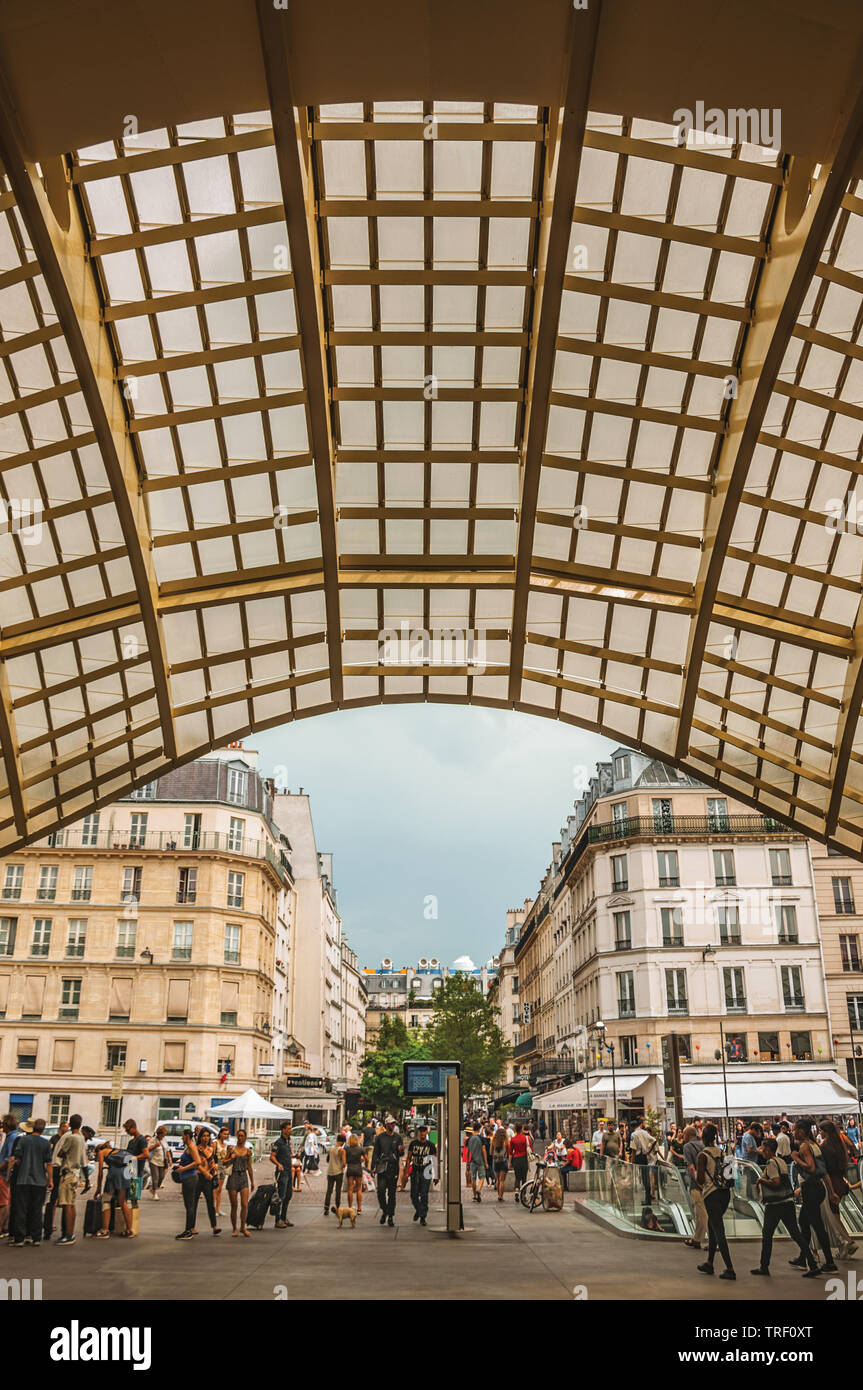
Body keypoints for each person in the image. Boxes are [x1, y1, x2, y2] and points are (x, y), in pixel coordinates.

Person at [751, 1136, 814, 1276]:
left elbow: (776, 1182)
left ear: (768, 1149)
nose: (761, 1150)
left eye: (763, 1147)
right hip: (787, 1202)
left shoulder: (771, 1163)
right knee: (796, 1234)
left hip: (775, 1204)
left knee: (767, 1235)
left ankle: (764, 1266)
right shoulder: (781, 1161)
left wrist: (761, 1180)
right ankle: (812, 1263)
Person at [789, 1118, 836, 1277]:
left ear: (801, 1131)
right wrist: (831, 1191)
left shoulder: (804, 1147)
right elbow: (823, 1171)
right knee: (804, 1221)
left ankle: (828, 1262)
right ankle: (803, 1257)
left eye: (795, 1129)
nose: (793, 1132)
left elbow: (811, 1167)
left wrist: (796, 1158)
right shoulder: (814, 1144)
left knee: (816, 1224)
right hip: (818, 1187)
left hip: (811, 1189)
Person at [694, 1123, 735, 1280]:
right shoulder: (723, 1152)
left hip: (712, 1195)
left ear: (703, 1138)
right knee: (712, 1226)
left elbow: (700, 1179)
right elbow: (731, 1176)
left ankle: (730, 1268)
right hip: (725, 1194)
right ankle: (709, 1263)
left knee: (718, 1231)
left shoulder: (702, 1155)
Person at [9, 1118, 52, 1247]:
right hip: (39, 1180)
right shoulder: (46, 1143)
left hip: (23, 1179)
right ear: (43, 1129)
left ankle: (20, 1238)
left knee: (21, 1208)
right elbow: (49, 1163)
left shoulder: (23, 1141)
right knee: (37, 1209)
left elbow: (17, 1159)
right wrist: (50, 1180)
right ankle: (36, 1237)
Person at [819, 1119, 858, 1260]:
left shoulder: (825, 1147)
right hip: (840, 1181)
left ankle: (848, 1241)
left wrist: (830, 1190)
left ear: (826, 1132)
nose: (820, 1133)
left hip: (832, 1183)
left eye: (821, 1130)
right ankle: (843, 1246)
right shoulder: (840, 1144)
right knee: (835, 1213)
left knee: (833, 1215)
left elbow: (824, 1169)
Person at [53, 1113, 87, 1245]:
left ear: (70, 1124)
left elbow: (61, 1153)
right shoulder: (81, 1138)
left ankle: (67, 1234)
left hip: (67, 1173)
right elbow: (83, 1160)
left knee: (66, 1204)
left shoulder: (71, 1138)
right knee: (71, 1204)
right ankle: (70, 1232)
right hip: (76, 1173)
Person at [95, 1140, 135, 1239]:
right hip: (126, 1174)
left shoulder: (101, 1152)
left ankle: (105, 1230)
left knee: (106, 1200)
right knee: (123, 1202)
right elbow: (132, 1163)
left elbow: (100, 1172)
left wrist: (98, 1188)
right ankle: (130, 1230)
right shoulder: (118, 1150)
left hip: (114, 1175)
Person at [371, 1116, 403, 1227]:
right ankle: (384, 1210)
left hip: (393, 1167)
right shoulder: (380, 1137)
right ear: (386, 1125)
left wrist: (401, 1151)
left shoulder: (398, 1137)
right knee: (380, 1191)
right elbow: (375, 1152)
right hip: (382, 1167)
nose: (393, 1125)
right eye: (390, 1124)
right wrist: (373, 1167)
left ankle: (390, 1216)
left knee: (392, 1193)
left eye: (394, 1124)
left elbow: (400, 1154)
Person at [682, 1123, 708, 1251]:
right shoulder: (703, 1144)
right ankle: (697, 1239)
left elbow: (691, 1167)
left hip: (697, 1184)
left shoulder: (687, 1147)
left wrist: (698, 1182)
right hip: (708, 1183)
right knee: (698, 1212)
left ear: (687, 1135)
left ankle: (715, 1240)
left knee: (702, 1212)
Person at [191, 1126, 221, 1236]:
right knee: (194, 1203)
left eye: (208, 1136)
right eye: (204, 1136)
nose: (206, 1138)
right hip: (198, 1177)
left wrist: (215, 1171)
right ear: (200, 1137)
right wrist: (205, 1173)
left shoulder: (211, 1149)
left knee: (210, 1203)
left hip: (208, 1178)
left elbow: (213, 1161)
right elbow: (197, 1164)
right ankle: (191, 1227)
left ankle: (214, 1226)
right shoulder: (196, 1149)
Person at [173, 1129, 202, 1241]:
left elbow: (198, 1162)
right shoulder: (189, 1147)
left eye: (182, 1136)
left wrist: (183, 1169)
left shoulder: (191, 1147)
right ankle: (189, 1229)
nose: (181, 1138)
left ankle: (188, 1231)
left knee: (189, 1205)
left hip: (190, 1178)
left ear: (187, 1136)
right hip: (187, 1178)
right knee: (189, 1205)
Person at [406, 1123, 438, 1225]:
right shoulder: (413, 1144)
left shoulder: (430, 1145)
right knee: (414, 1194)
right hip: (415, 1170)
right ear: (418, 1132)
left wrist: (436, 1175)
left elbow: (434, 1160)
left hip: (426, 1170)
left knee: (424, 1194)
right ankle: (419, 1210)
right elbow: (408, 1158)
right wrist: (407, 1173)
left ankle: (423, 1215)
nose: (422, 1133)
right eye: (421, 1131)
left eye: (424, 1131)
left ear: (426, 1132)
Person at [226, 1129, 255, 1237]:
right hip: (233, 1176)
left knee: (244, 1204)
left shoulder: (248, 1151)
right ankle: (234, 1228)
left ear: (246, 1137)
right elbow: (224, 1162)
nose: (240, 1138)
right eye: (239, 1136)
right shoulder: (231, 1149)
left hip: (243, 1177)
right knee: (234, 1205)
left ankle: (243, 1227)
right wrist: (230, 1159)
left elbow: (249, 1167)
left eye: (242, 1136)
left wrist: (252, 1181)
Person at [269, 1121, 295, 1229]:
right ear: (283, 1130)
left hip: (289, 1171)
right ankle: (277, 1219)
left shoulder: (288, 1142)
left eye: (290, 1128)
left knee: (288, 1195)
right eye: (288, 1129)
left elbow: (288, 1155)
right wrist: (278, 1164)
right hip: (282, 1172)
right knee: (281, 1196)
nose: (290, 1130)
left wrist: (295, 1157)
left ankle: (284, 1217)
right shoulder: (278, 1142)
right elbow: (272, 1156)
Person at [0, 1113, 21, 1240]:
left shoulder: (12, 1138)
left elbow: (8, 1159)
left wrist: (5, 1173)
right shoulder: (9, 1137)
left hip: (4, 1174)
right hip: (4, 1173)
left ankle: (3, 1227)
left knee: (4, 1202)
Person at [630, 1116, 657, 1205]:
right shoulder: (645, 1132)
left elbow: (633, 1149)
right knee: (646, 1178)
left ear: (633, 1127)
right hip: (645, 1156)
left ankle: (647, 1199)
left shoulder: (634, 1134)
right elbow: (654, 1140)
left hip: (639, 1157)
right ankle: (648, 1198)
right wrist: (649, 1151)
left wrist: (632, 1161)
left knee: (644, 1178)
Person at [122, 1119, 150, 1206]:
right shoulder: (131, 1141)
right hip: (129, 1171)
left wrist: (135, 1158)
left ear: (134, 1127)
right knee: (125, 1197)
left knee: (134, 1199)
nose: (127, 1132)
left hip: (137, 1173)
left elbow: (146, 1154)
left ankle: (134, 1218)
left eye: (128, 1130)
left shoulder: (142, 1140)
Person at [466, 1122, 488, 1203]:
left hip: (472, 1161)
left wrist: (468, 1161)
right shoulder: (481, 1138)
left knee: (473, 1178)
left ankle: (474, 1195)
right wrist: (486, 1162)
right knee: (482, 1177)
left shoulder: (469, 1139)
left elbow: (468, 1151)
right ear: (479, 1129)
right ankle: (479, 1189)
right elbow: (484, 1150)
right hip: (480, 1160)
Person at [324, 1133, 347, 1215]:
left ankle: (326, 1207)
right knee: (338, 1191)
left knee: (329, 1190)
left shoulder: (330, 1149)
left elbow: (327, 1160)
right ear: (343, 1142)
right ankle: (337, 1207)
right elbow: (344, 1163)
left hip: (330, 1172)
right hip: (338, 1172)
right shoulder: (342, 1150)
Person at [344, 1132, 366, 1215]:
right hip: (358, 1168)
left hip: (350, 1168)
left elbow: (344, 1160)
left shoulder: (347, 1149)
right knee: (359, 1189)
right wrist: (361, 1159)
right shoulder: (360, 1149)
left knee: (350, 1189)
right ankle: (359, 1208)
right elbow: (365, 1159)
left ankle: (350, 1207)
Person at [509, 1121, 532, 1199]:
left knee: (517, 1177)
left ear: (515, 1129)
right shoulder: (525, 1138)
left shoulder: (512, 1139)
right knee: (524, 1177)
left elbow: (510, 1152)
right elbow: (531, 1149)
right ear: (521, 1129)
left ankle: (516, 1191)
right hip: (524, 1158)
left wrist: (509, 1162)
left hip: (516, 1159)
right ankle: (523, 1194)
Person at [147, 1126, 171, 1199]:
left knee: (161, 1177)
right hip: (154, 1161)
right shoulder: (153, 1140)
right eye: (163, 1134)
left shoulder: (164, 1140)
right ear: (159, 1133)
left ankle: (153, 1189)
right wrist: (155, 1146)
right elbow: (147, 1149)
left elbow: (167, 1150)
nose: (164, 1136)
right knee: (155, 1177)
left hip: (162, 1162)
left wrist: (170, 1159)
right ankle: (155, 1193)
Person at [214, 1126, 232, 1216]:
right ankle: (213, 1209)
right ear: (220, 1134)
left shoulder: (226, 1145)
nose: (225, 1135)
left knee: (220, 1189)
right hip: (216, 1166)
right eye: (224, 1134)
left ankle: (218, 1209)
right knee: (215, 1189)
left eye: (227, 1134)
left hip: (223, 1167)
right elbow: (211, 1155)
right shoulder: (215, 1143)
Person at [490, 1124, 510, 1203]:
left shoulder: (493, 1141)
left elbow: (491, 1152)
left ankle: (498, 1195)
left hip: (495, 1161)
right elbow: (508, 1152)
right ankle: (501, 1196)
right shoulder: (506, 1141)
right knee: (502, 1180)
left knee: (498, 1179)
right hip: (503, 1161)